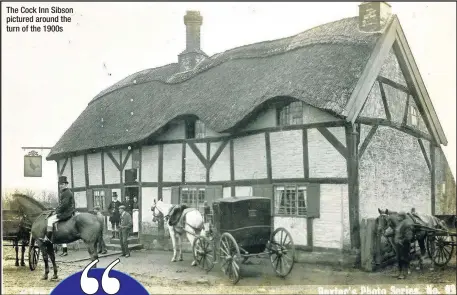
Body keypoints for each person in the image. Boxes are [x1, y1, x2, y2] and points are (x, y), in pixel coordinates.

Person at [41, 176, 75, 244]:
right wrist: (55, 209)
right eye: (60, 184)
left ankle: (48, 238)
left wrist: (56, 211)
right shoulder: (65, 192)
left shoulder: (66, 193)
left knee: (50, 220)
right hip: (67, 211)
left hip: (66, 213)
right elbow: (62, 205)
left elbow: (64, 205)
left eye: (62, 184)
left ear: (66, 184)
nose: (60, 186)